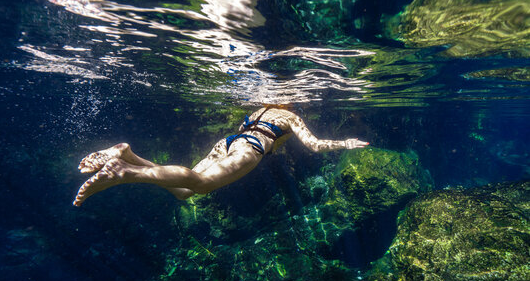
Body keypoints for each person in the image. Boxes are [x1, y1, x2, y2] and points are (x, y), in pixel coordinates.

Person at [73, 107, 369, 206]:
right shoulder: (290, 116)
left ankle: (128, 155)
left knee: (182, 192)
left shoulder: (260, 110)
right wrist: (345, 143)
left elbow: (244, 131)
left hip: (228, 142)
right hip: (250, 149)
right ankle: (126, 172)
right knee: (201, 184)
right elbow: (314, 146)